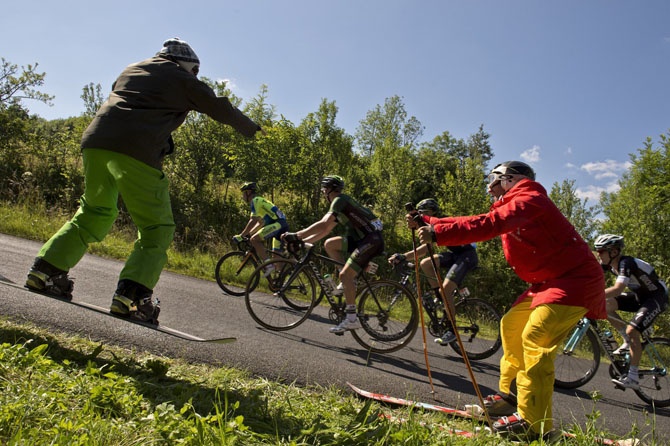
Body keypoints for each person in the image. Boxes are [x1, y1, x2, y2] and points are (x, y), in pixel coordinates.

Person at [25, 37, 263, 324]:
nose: (194, 77)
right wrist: (253, 130)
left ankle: (46, 271)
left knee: (94, 211)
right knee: (156, 227)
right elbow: (217, 105)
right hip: (136, 149)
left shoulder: (131, 69)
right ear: (188, 65)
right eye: (194, 72)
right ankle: (132, 298)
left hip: (96, 143)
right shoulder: (179, 76)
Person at [411, 160, 606, 440]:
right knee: (512, 325)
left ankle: (534, 424)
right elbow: (476, 220)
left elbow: (489, 224)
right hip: (547, 283)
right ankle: (510, 398)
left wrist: (438, 232)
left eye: (494, 178)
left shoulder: (530, 197)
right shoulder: (514, 202)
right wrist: (427, 221)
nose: (489, 185)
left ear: (510, 178)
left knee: (536, 338)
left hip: (574, 281)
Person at [282, 175, 384, 334]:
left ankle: (351, 318)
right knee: (330, 244)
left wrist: (297, 235)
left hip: (370, 240)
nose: (323, 193)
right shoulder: (342, 204)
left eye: (324, 189)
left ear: (329, 189)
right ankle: (346, 282)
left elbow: (323, 223)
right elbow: (326, 230)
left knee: (345, 275)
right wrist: (304, 242)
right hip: (361, 239)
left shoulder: (339, 200)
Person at [388, 198, 478, 345]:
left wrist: (404, 256)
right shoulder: (431, 224)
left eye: (423, 213)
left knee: (446, 289)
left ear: (432, 212)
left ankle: (452, 329)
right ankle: (439, 296)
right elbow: (425, 252)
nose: (420, 216)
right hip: (456, 254)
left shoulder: (439, 223)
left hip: (467, 256)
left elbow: (424, 249)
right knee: (426, 263)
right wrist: (404, 256)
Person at [593, 234, 669, 390]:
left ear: (613, 251)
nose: (598, 255)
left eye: (601, 251)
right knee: (606, 305)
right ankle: (626, 339)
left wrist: (592, 295)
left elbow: (618, 289)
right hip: (640, 296)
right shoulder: (609, 264)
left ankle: (633, 377)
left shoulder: (625, 263)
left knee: (633, 329)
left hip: (657, 297)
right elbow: (590, 273)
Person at [234, 182, 289, 275]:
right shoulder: (259, 201)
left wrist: (241, 235)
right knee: (276, 257)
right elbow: (260, 222)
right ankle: (281, 281)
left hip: (278, 224)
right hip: (281, 225)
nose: (242, 196)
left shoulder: (255, 201)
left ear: (248, 193)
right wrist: (249, 233)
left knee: (254, 240)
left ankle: (268, 265)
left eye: (243, 193)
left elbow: (253, 220)